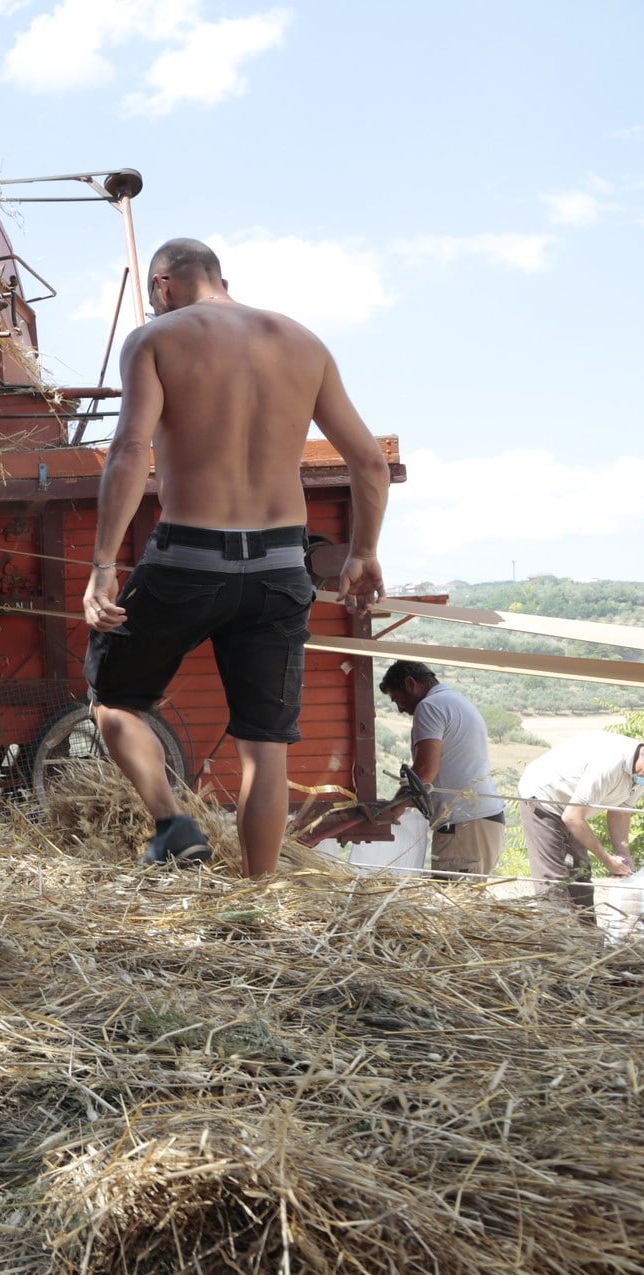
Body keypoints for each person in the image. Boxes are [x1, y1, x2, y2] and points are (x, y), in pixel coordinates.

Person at [82, 237, 390, 876]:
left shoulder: (157, 338)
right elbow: (368, 461)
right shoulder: (304, 344)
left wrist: (104, 564)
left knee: (113, 703)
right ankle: (258, 899)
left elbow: (130, 451)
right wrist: (363, 552)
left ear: (164, 285)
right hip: (281, 567)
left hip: (189, 558)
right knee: (265, 749)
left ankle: (173, 824)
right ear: (220, 276)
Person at [516, 735, 644, 907]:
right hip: (546, 797)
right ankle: (555, 930)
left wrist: (623, 855)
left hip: (575, 808)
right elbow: (572, 817)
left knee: (580, 874)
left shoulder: (642, 769)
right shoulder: (610, 764)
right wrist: (606, 859)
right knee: (553, 879)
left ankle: (587, 932)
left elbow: (620, 810)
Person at [377, 661, 505, 877]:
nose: (400, 709)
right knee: (467, 900)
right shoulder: (454, 701)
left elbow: (425, 774)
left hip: (464, 823)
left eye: (397, 699)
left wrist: (393, 808)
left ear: (411, 684)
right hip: (481, 819)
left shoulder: (430, 706)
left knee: (455, 900)